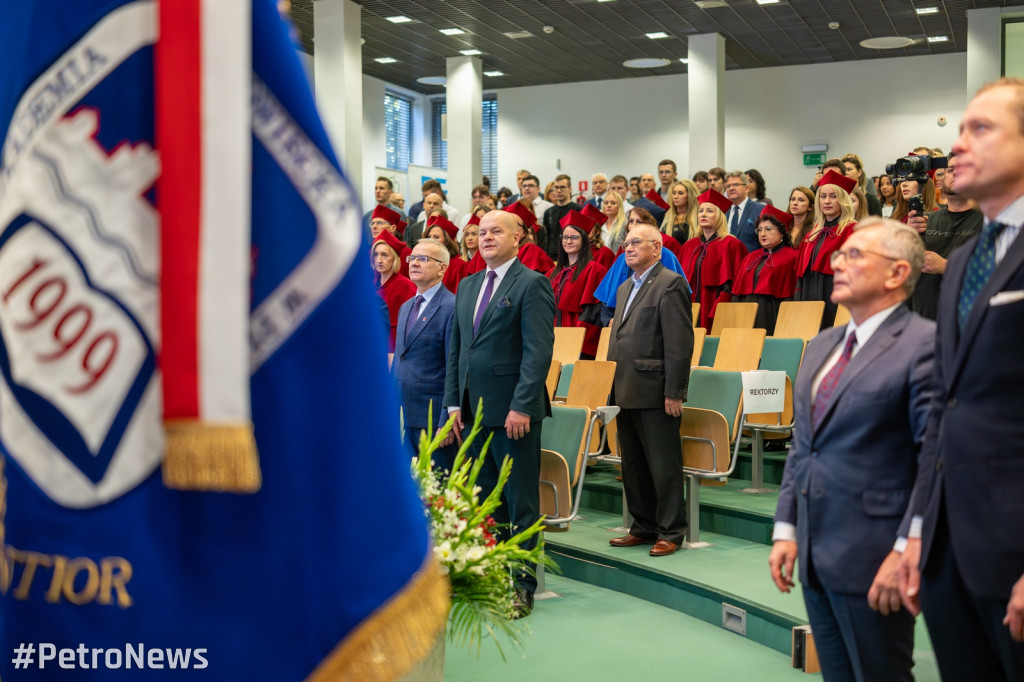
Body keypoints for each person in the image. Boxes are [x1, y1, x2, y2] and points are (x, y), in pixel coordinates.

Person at [897, 78, 1024, 681]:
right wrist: (919, 532)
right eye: (958, 131)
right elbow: (945, 411)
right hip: (951, 551)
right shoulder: (970, 259)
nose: (957, 150)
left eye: (982, 129)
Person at [770, 218, 934, 682]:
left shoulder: (924, 345)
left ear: (897, 273)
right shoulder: (823, 344)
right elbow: (805, 446)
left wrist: (906, 547)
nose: (838, 263)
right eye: (839, 254)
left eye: (855, 255)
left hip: (877, 552)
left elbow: (934, 460)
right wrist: (786, 527)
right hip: (817, 554)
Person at [443, 209, 555, 619]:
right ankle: (490, 576)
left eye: (495, 232)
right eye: (480, 232)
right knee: (487, 503)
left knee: (519, 501)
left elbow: (538, 351)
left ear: (518, 237)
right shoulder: (468, 284)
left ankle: (522, 586)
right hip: (473, 413)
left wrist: (523, 404)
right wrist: (454, 403)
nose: (485, 238)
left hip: (514, 415)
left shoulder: (532, 283)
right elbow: (457, 351)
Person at [607, 223, 693, 558]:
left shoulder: (670, 284)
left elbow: (679, 343)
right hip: (625, 387)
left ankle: (671, 530)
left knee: (664, 465)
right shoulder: (625, 287)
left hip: (656, 390)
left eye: (636, 242)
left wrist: (675, 391)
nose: (628, 248)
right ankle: (643, 526)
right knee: (634, 465)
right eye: (626, 243)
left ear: (656, 248)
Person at [392, 239, 457, 470]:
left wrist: (446, 420)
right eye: (412, 258)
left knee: (437, 490)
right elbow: (400, 359)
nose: (414, 263)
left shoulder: (452, 306)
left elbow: (454, 368)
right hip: (402, 415)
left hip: (432, 418)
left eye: (423, 259)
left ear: (442, 267)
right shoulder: (407, 306)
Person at [908, 153, 983, 320]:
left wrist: (944, 266)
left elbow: (993, 274)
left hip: (965, 323)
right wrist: (907, 239)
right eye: (950, 170)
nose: (955, 173)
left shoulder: (989, 222)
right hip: (923, 321)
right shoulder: (926, 220)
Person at [794, 170, 858, 328]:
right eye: (823, 196)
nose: (827, 201)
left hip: (835, 295)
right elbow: (801, 276)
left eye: (833, 196)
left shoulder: (852, 230)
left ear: (843, 200)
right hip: (809, 295)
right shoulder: (811, 235)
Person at [679, 188, 748, 331]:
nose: (703, 214)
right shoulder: (689, 246)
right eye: (701, 211)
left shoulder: (731, 244)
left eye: (710, 211)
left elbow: (735, 283)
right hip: (689, 306)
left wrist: (720, 305)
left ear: (720, 216)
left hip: (716, 304)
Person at [548, 210, 608, 358]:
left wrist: (577, 343)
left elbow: (592, 313)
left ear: (584, 240)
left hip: (578, 341)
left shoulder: (594, 270)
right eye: (565, 237)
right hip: (552, 338)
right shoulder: (553, 273)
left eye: (574, 237)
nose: (568, 241)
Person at [732, 206, 799, 334]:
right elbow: (736, 293)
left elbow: (791, 295)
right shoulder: (750, 258)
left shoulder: (792, 257)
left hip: (773, 314)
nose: (762, 234)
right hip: (745, 316)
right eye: (760, 230)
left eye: (768, 229)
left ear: (782, 232)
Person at [371, 232, 416, 352]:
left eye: (385, 255)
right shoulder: (371, 283)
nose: (379, 260)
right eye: (376, 255)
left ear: (394, 258)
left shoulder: (407, 286)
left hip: (394, 346)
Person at [723, 171, 766, 252]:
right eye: (728, 186)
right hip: (726, 261)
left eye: (735, 185)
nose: (731, 188)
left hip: (751, 261)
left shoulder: (760, 210)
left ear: (747, 188)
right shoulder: (722, 211)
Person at [424, 216, 468, 293]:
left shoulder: (459, 265)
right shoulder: (424, 262)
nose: (431, 240)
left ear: (447, 240)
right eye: (429, 236)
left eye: (436, 237)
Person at [538, 174, 576, 260]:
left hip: (570, 255)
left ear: (570, 189)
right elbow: (546, 237)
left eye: (562, 187)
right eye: (556, 187)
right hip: (551, 256)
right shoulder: (548, 212)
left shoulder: (577, 210)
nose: (559, 191)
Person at [662, 179, 699, 244]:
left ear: (689, 196)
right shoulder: (667, 216)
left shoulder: (698, 217)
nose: (675, 196)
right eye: (674, 193)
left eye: (680, 193)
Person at [581, 202, 616, 269]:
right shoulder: (575, 250)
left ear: (597, 232)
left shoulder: (605, 253)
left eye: (589, 225)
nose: (584, 228)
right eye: (582, 224)